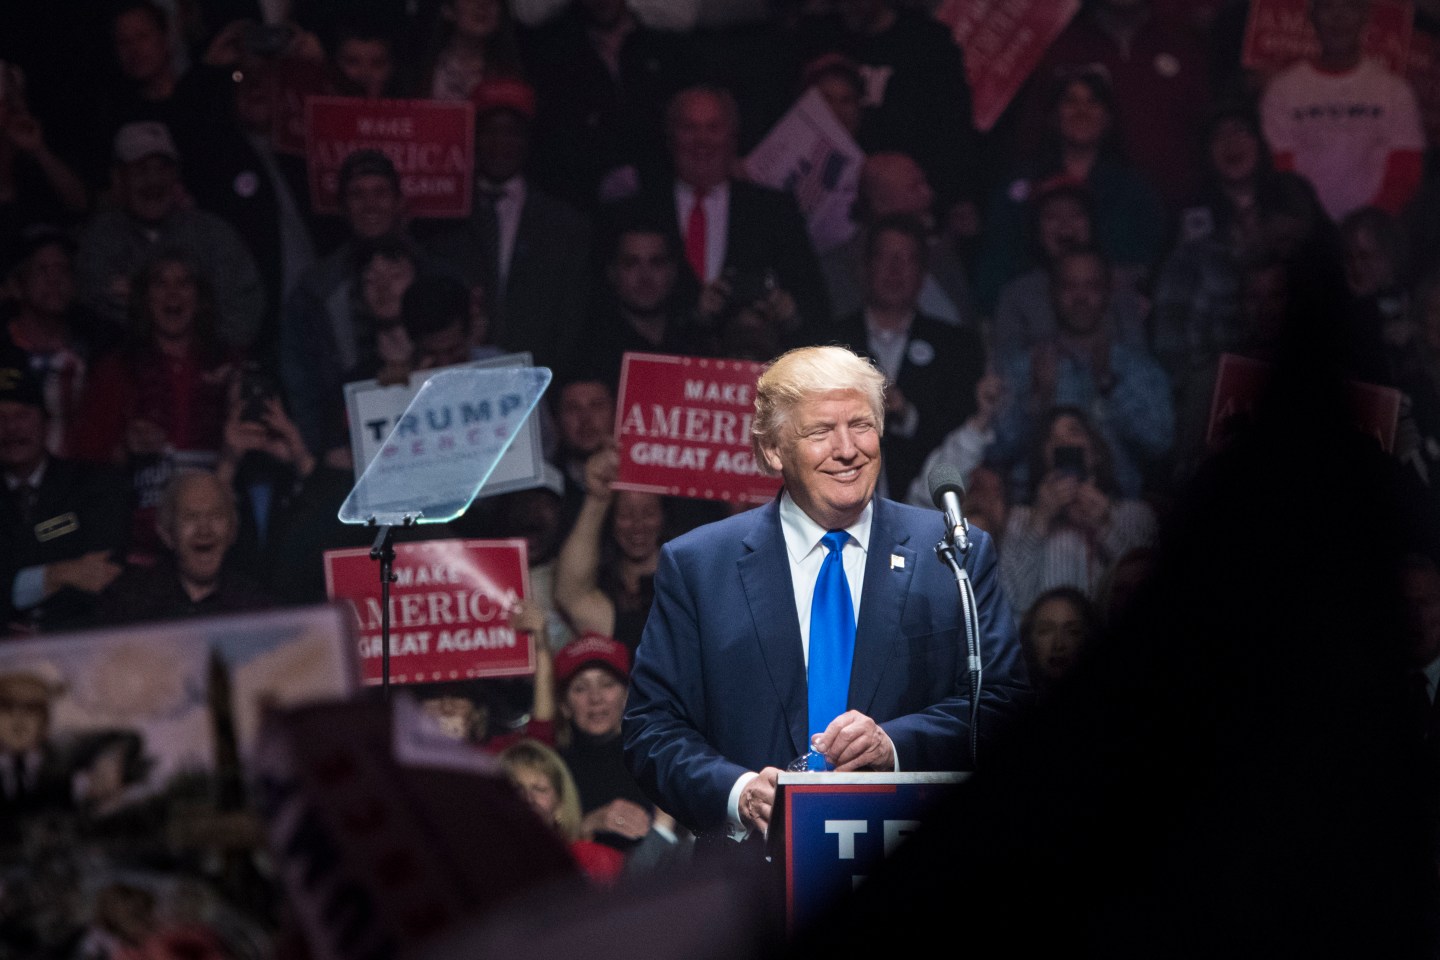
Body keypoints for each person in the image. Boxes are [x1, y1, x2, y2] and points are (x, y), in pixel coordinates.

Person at [623, 345, 1027, 844]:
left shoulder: (951, 554)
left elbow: (1001, 701)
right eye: (820, 431)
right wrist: (739, 792)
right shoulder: (699, 566)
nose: (847, 449)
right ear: (773, 450)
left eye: (861, 425)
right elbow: (652, 728)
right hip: (754, 869)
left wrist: (893, 746)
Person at [990, 246, 1175, 500]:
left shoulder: (1137, 367)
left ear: (1108, 293)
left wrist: (1110, 386)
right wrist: (1035, 401)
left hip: (1117, 507)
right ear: (1053, 293)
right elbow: (994, 451)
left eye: (1092, 286)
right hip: (1034, 509)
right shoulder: (1023, 367)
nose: (1080, 297)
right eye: (1070, 286)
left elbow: (1160, 444)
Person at [74, 121, 265, 349]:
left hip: (206, 366)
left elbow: (242, 312)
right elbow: (93, 311)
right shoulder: (99, 239)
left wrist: (193, 356)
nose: (153, 180)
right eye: (141, 170)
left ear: (177, 175)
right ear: (118, 178)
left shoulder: (212, 234)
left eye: (163, 169)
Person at [836, 214, 984, 500]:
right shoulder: (825, 343)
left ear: (922, 272)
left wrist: (907, 416)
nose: (895, 270)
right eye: (885, 258)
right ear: (866, 267)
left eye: (906, 260)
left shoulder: (956, 347)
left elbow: (960, 428)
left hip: (926, 500)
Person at [1260, 0, 1425, 222]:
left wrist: (1369, 224)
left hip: (1373, 229)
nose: (1338, 17)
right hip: (1306, 228)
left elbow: (1405, 170)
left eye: (1349, 6)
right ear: (1312, 15)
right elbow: (1280, 167)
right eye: (1328, 6)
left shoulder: (1394, 90)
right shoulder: (1283, 90)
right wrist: (1306, 222)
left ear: (1365, 15)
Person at [0, 364, 126, 633]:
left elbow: (101, 573)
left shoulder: (92, 485)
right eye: (0, 417)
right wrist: (59, 573)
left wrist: (17, 578)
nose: (11, 428)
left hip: (76, 640)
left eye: (22, 415)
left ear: (46, 422)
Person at [96, 470, 270, 624]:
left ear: (232, 531)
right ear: (167, 533)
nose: (204, 530)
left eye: (216, 515)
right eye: (190, 517)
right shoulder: (127, 602)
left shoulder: (257, 610)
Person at [554, 447, 662, 652]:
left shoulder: (691, 595)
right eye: (625, 514)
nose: (637, 525)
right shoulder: (624, 616)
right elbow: (572, 596)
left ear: (664, 517)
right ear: (611, 521)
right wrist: (598, 498)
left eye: (648, 513)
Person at [499, 738, 626, 885]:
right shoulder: (484, 865)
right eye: (516, 789)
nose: (528, 799)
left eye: (540, 789)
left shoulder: (594, 861)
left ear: (560, 805)